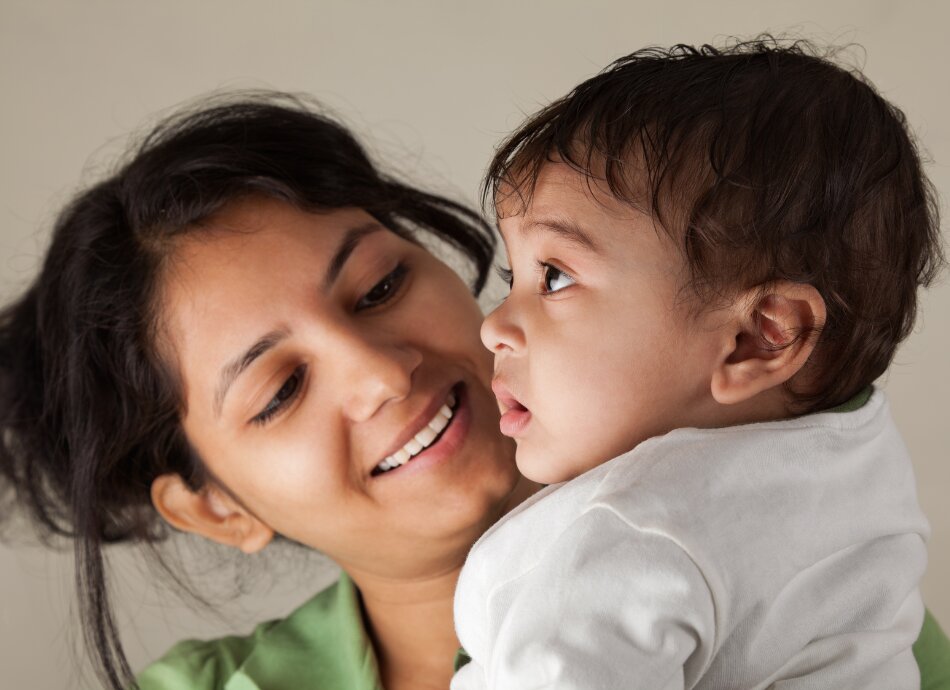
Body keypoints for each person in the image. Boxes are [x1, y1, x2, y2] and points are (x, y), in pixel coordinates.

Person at [0, 92, 946, 690]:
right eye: (282, 389)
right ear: (210, 506)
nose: (380, 373)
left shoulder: (817, 595)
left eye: (379, 288)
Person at [452, 39, 945, 689]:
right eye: (516, 276)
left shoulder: (625, 539)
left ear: (758, 340)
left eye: (555, 277)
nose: (495, 327)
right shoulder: (859, 459)